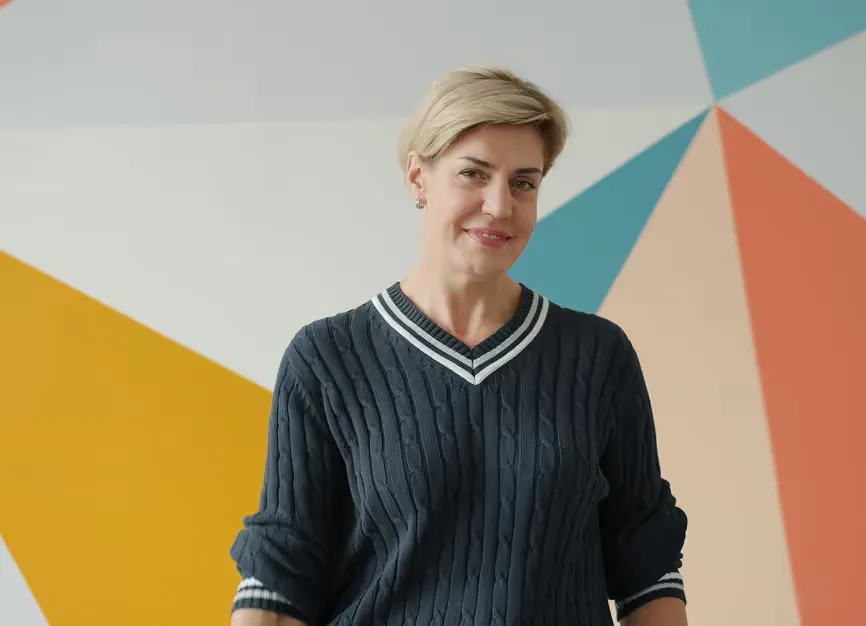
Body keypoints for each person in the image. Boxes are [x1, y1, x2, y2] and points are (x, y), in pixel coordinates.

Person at [229, 65, 688, 626]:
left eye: (524, 182)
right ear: (418, 178)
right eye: (474, 174)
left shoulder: (598, 355)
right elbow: (281, 578)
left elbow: (648, 569)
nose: (500, 205)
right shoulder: (326, 358)